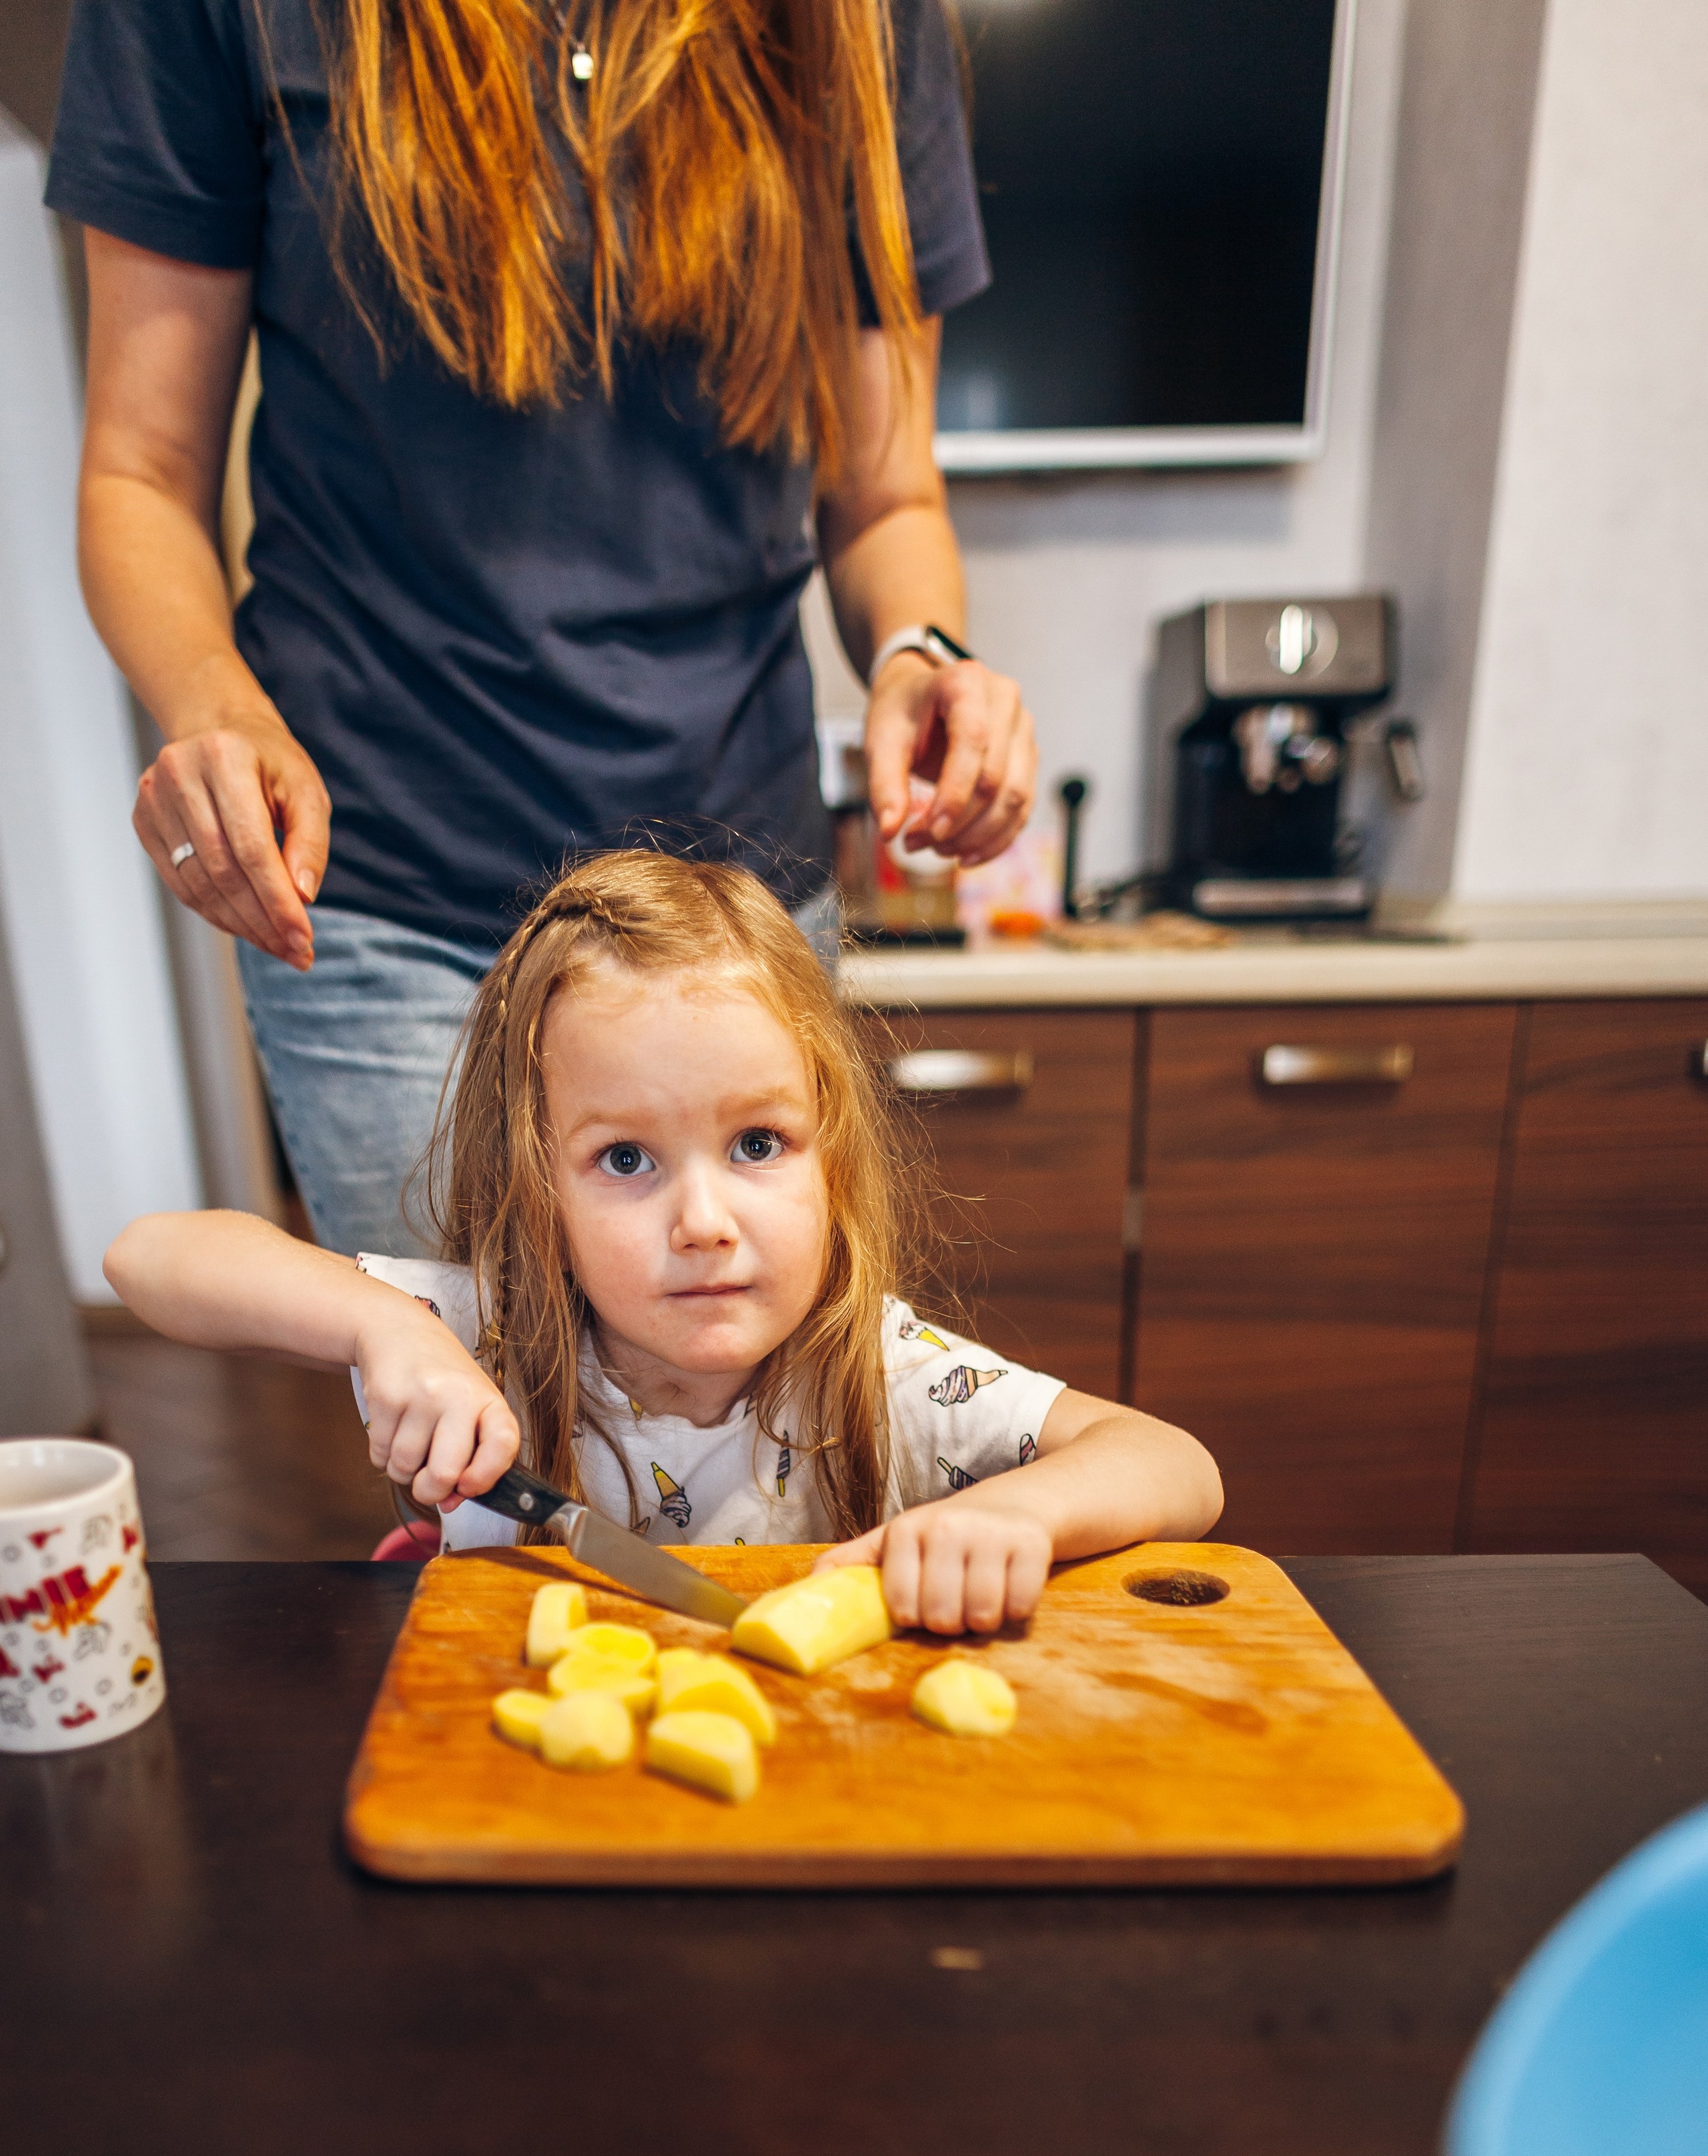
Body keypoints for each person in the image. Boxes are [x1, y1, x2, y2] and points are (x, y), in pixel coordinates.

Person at [48, 0, 1038, 1254]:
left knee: (740, 1425)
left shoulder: (862, 22)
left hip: (736, 900)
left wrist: (919, 650)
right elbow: (140, 472)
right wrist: (214, 703)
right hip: (391, 895)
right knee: (472, 1429)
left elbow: (888, 495)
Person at [104, 855, 1220, 1630]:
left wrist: (1012, 1512)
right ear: (541, 1183)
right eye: (627, 1160)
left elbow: (1180, 1467)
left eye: (759, 1144)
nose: (703, 1223)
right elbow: (149, 1259)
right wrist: (382, 1327)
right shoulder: (487, 1332)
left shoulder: (887, 1372)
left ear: (834, 1150)